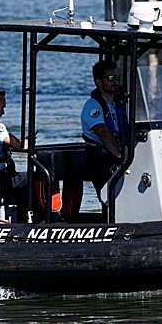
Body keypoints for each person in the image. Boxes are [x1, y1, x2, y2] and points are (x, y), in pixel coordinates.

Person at [64, 60, 124, 219]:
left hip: (117, 156)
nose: (115, 82)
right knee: (111, 197)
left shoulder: (118, 104)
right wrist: (121, 157)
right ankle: (110, 220)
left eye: (117, 78)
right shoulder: (93, 106)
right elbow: (103, 132)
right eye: (110, 78)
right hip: (100, 160)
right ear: (98, 82)